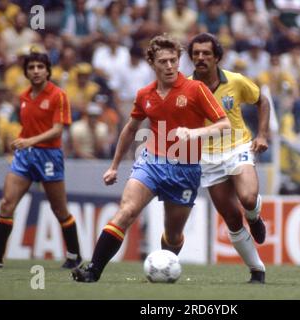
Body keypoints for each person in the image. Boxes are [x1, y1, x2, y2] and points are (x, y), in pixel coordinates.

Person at [71, 34, 230, 283]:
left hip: (186, 169)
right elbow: (130, 128)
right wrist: (114, 166)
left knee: (174, 234)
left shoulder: (196, 89)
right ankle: (93, 269)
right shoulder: (145, 93)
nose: (169, 66)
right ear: (152, 63)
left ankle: (163, 267)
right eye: (163, 61)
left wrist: (195, 132)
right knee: (127, 211)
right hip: (152, 162)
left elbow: (224, 124)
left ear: (179, 61)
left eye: (173, 60)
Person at [0, 52, 82, 269]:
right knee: (6, 203)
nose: (36, 71)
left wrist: (29, 140)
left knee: (59, 210)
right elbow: (29, 126)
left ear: (48, 70)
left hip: (49, 156)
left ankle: (74, 255)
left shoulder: (58, 95)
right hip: (25, 156)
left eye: (40, 67)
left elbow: (58, 130)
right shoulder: (23, 97)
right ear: (26, 72)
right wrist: (21, 141)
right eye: (31, 67)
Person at [188, 33, 270, 284]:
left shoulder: (236, 81)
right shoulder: (187, 86)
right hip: (208, 158)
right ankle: (257, 271)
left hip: (238, 147)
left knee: (247, 198)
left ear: (217, 58)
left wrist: (263, 134)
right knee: (232, 219)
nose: (200, 58)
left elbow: (262, 101)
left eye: (206, 54)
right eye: (196, 54)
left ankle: (254, 217)